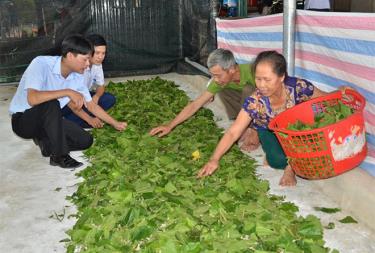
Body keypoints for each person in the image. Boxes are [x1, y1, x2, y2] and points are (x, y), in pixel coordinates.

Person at [197, 50, 328, 186]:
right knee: (276, 161)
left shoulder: (298, 87)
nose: (261, 85)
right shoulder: (255, 102)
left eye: (267, 79)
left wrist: (342, 92)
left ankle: (291, 168)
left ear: (281, 77)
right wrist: (214, 159)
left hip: (295, 130)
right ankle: (274, 150)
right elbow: (233, 132)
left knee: (317, 144)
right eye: (258, 79)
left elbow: (325, 98)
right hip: (269, 130)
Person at [9, 34, 95, 169]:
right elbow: (32, 99)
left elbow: (89, 105)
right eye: (85, 60)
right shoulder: (41, 63)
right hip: (23, 121)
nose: (88, 64)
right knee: (51, 103)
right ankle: (60, 156)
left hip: (49, 121)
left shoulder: (76, 76)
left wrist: (113, 123)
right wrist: (67, 91)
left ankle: (47, 143)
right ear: (71, 56)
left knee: (86, 141)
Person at [149, 48, 260, 151]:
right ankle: (242, 126)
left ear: (231, 69)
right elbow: (195, 104)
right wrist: (170, 125)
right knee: (223, 89)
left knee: (250, 91)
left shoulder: (253, 72)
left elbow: (271, 99)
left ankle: (253, 131)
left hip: (267, 107)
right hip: (246, 106)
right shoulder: (220, 81)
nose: (215, 80)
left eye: (218, 75)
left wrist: (255, 131)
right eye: (213, 75)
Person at [62, 34, 118, 129]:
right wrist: (89, 117)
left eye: (103, 53)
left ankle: (77, 119)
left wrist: (95, 97)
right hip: (68, 102)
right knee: (80, 107)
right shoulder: (76, 65)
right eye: (97, 53)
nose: (100, 57)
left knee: (109, 99)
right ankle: (72, 120)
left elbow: (101, 86)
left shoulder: (97, 64)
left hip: (84, 96)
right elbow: (69, 100)